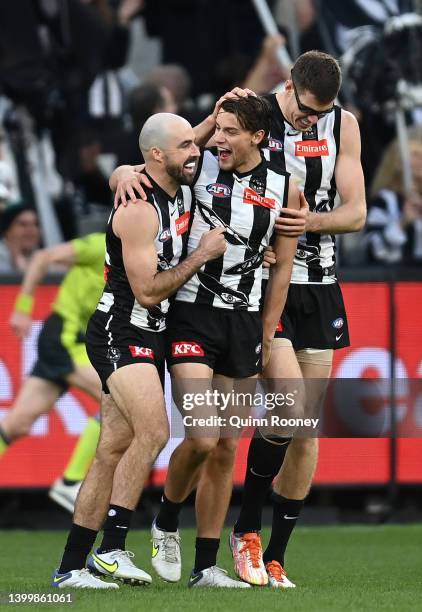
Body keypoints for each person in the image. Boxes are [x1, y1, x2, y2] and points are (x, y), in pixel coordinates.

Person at [110, 95, 302, 587]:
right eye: (216, 131)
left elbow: (281, 269)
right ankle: (167, 521)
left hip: (243, 323)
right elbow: (146, 165)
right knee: (201, 437)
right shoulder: (199, 172)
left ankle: (205, 567)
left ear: (258, 138)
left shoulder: (285, 188)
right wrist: (120, 174)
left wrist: (265, 332)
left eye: (230, 132)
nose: (217, 141)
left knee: (225, 449)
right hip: (193, 316)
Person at [51, 112, 226, 589]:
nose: (197, 152)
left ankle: (69, 569)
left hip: (147, 334)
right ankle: (111, 549)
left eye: (196, 143)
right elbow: (148, 291)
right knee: (154, 430)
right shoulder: (138, 207)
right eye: (186, 146)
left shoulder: (175, 182)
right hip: (121, 329)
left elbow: (183, 142)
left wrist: (215, 114)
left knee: (111, 448)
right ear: (156, 156)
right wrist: (202, 254)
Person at [228, 50, 367, 588]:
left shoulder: (344, 123)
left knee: (305, 431)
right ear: (289, 85)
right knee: (285, 408)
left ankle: (276, 556)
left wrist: (311, 221)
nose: (312, 119)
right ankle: (245, 533)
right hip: (266, 288)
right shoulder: (254, 112)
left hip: (321, 285)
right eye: (306, 111)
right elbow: (193, 161)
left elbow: (354, 212)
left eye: (320, 112)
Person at [0, 233, 106, 510]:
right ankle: (70, 483)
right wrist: (23, 308)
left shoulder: (142, 258)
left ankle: (70, 484)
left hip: (73, 343)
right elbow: (42, 257)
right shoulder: (100, 245)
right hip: (64, 338)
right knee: (116, 402)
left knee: (16, 424)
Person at [364, 126, 422, 264]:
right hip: (402, 280)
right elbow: (372, 249)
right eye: (416, 154)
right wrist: (402, 223)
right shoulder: (387, 200)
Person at [0, 204, 41, 273]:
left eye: (35, 224)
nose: (31, 230)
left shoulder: (42, 257)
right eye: (23, 224)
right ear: (7, 231)